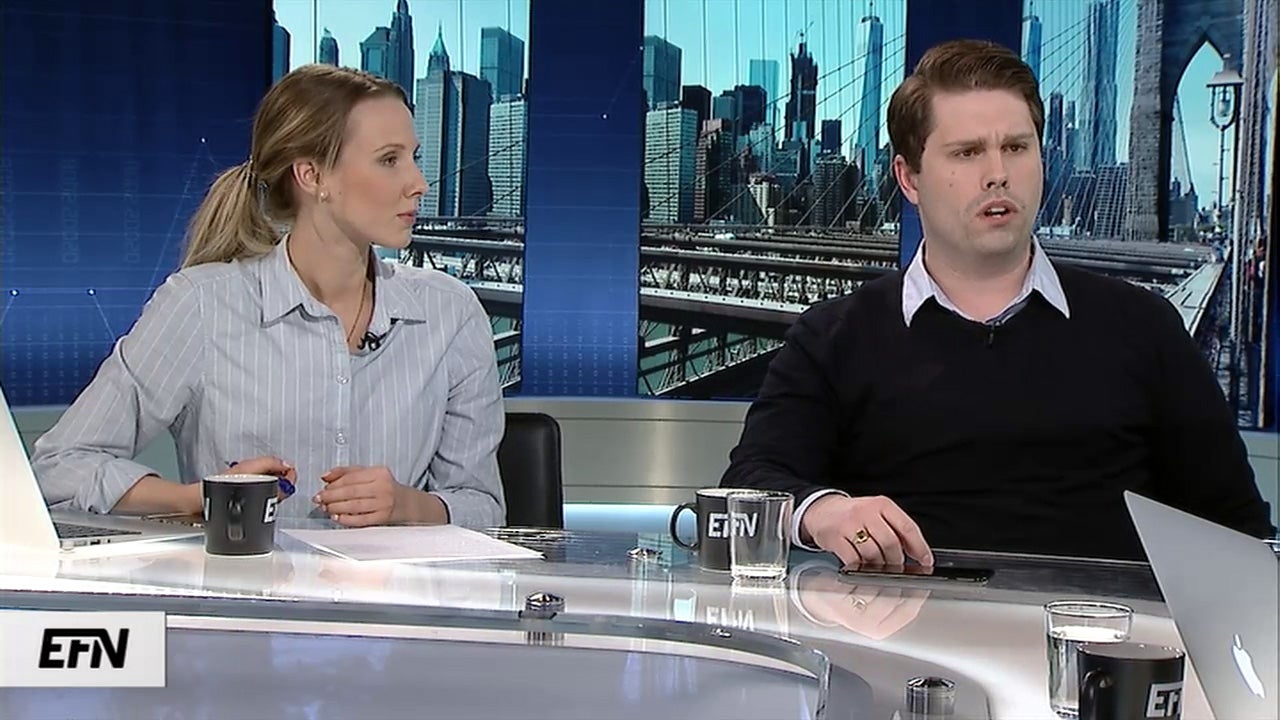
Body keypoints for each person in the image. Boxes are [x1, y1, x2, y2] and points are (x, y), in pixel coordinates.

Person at [720, 39, 1273, 564]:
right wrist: (824, 512)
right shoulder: (833, 336)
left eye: (1016, 147)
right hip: (898, 626)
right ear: (908, 178)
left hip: (1093, 627)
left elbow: (1237, 530)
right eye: (967, 153)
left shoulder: (1144, 327)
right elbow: (750, 483)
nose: (998, 175)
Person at [31, 64, 506, 529]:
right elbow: (59, 466)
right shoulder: (201, 305)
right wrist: (201, 498)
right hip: (242, 580)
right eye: (389, 160)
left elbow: (484, 507)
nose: (419, 183)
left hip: (399, 584)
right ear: (312, 176)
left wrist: (410, 506)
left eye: (414, 157)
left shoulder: (451, 313)